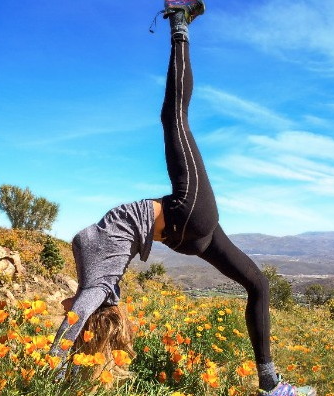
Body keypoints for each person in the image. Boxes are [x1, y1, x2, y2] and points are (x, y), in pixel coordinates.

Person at [49, 1, 317, 395]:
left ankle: (270, 383)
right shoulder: (96, 277)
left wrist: (69, 334)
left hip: (187, 239)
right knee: (174, 116)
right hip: (187, 213)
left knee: (258, 283)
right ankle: (179, 22)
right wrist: (52, 364)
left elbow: (80, 307)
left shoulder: (100, 282)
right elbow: (79, 310)